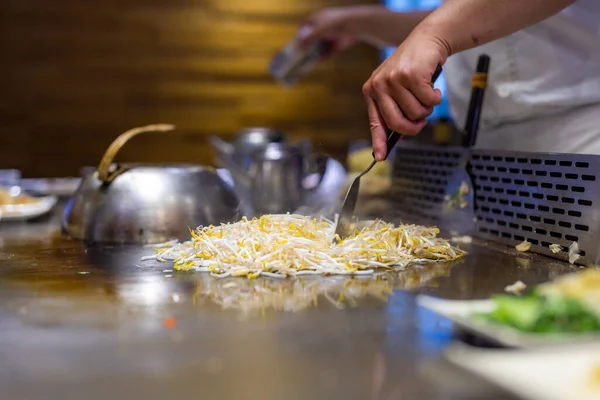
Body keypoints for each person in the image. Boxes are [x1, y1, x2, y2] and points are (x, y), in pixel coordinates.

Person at [299, 0, 600, 160]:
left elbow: (443, 28)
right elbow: (468, 15)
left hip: (581, 134)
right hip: (489, 143)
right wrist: (353, 23)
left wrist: (432, 35)